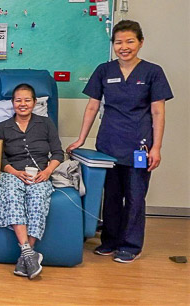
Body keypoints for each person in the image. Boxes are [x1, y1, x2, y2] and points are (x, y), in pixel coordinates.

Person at [67, 20, 172, 263]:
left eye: (129, 41)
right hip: (109, 144)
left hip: (139, 145)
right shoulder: (104, 70)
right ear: (113, 44)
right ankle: (110, 241)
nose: (123, 47)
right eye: (118, 42)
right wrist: (81, 138)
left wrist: (157, 147)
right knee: (111, 195)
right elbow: (93, 106)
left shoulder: (152, 72)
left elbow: (158, 112)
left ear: (140, 42)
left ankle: (131, 245)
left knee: (135, 196)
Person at [0, 83, 63, 279]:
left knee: (37, 198)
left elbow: (58, 152)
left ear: (34, 103)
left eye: (27, 100)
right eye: (18, 100)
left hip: (40, 173)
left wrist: (48, 171)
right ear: (12, 103)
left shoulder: (46, 123)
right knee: (13, 196)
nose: (22, 104)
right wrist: (14, 172)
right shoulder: (2, 127)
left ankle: (26, 255)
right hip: (12, 173)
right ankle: (28, 254)